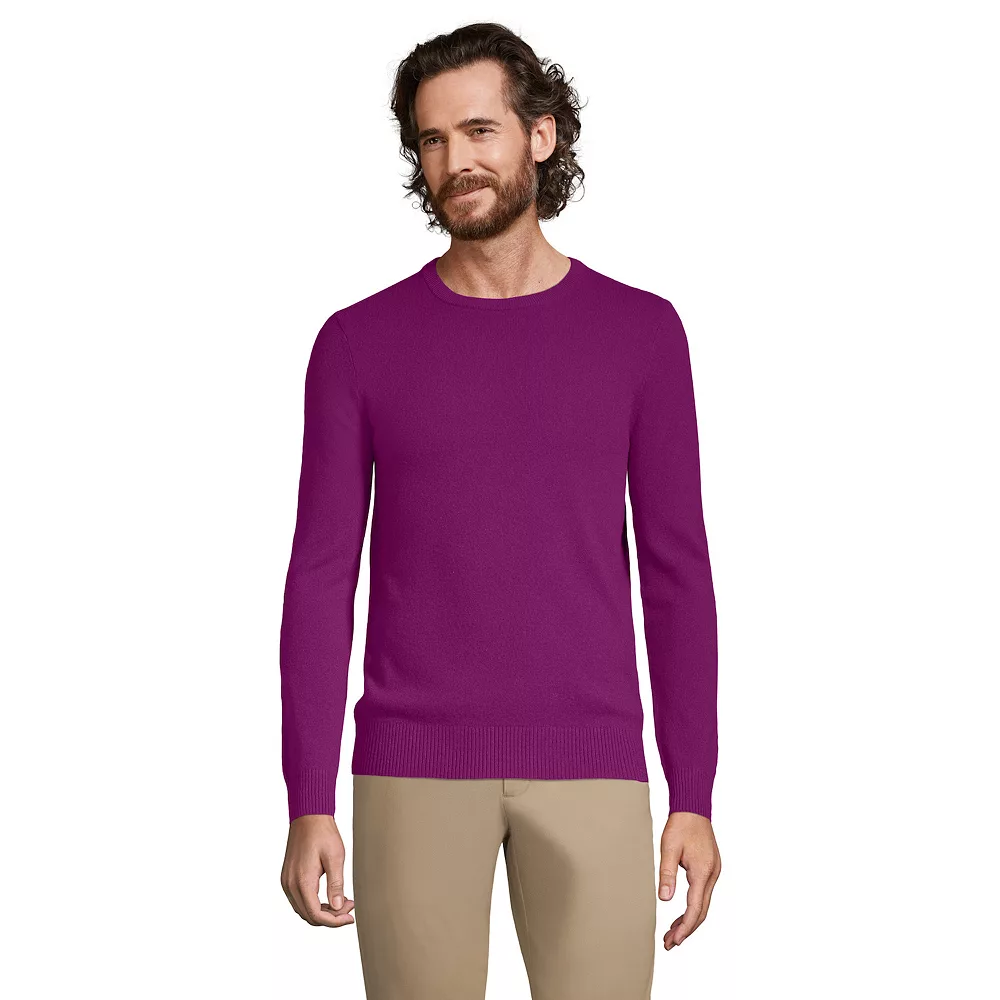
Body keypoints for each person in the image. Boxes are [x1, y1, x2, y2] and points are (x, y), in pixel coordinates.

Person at [278, 21, 721, 1000]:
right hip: (410, 768)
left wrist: (693, 790)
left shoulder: (642, 333)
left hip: (594, 764)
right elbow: (320, 576)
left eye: (479, 130)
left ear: (541, 135)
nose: (455, 162)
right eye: (432, 140)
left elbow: (676, 571)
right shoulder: (356, 343)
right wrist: (308, 797)